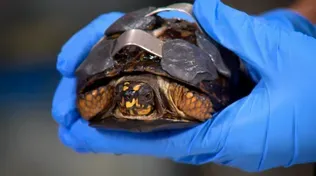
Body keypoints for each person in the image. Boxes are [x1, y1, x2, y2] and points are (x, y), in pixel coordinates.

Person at [51, 0, 316, 172]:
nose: (131, 97)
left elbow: (199, 98)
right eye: (124, 91)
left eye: (141, 93)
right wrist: (300, 21)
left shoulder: (179, 94)